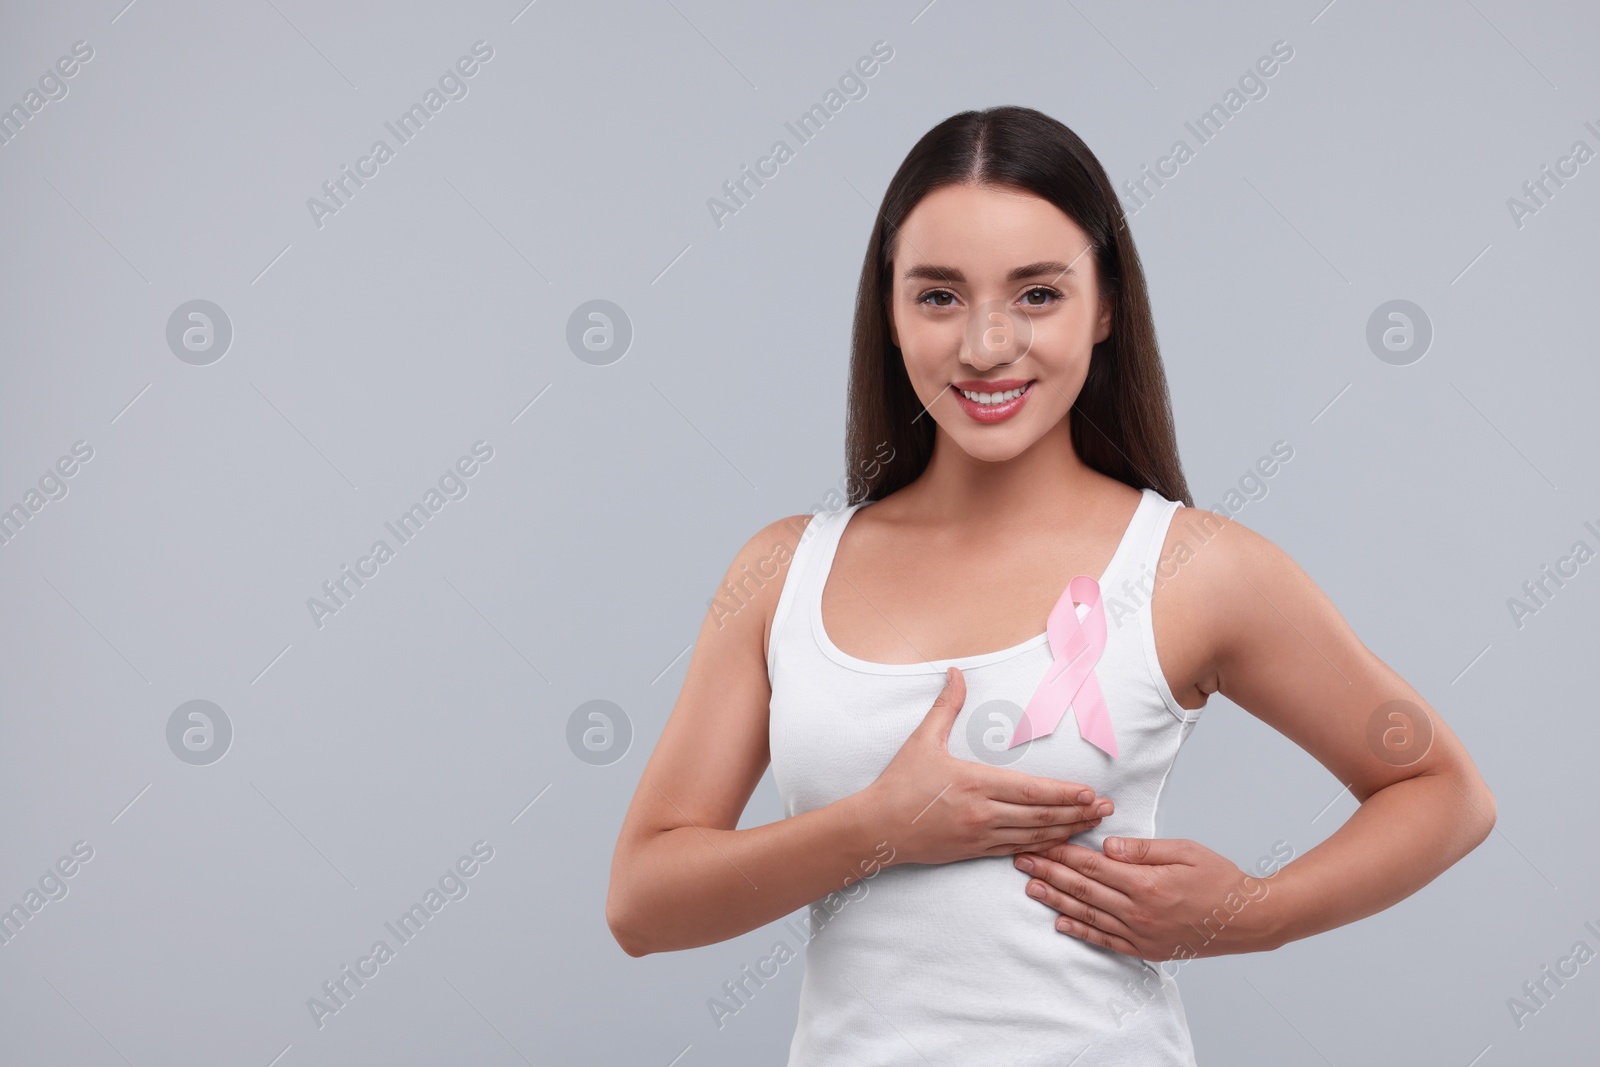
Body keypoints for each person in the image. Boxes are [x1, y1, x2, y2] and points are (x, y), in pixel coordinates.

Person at [605, 105, 1496, 1065]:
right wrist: (879, 826)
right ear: (890, 310)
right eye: (939, 296)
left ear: (1106, 305)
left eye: (1038, 294)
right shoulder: (783, 573)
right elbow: (644, 903)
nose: (987, 346)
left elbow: (1443, 789)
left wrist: (1253, 914)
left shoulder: (1194, 570)